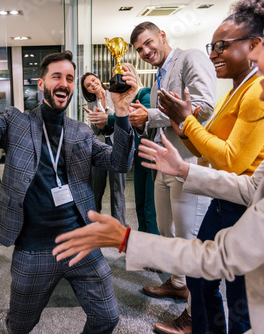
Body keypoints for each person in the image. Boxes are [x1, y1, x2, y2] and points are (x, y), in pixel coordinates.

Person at [53, 2, 264, 333]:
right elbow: (250, 189)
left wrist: (175, 125)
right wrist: (181, 165)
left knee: (232, 292)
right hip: (194, 172)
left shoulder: (244, 89)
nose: (257, 58)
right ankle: (192, 308)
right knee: (202, 273)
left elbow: (211, 132)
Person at [0, 31, 138, 334]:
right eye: (56, 77)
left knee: (107, 318)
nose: (64, 84)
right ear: (41, 83)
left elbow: (120, 162)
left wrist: (123, 111)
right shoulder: (16, 123)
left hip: (82, 244)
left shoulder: (81, 132)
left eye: (70, 78)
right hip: (34, 249)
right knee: (20, 325)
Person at [156, 1, 264, 332]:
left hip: (245, 209)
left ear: (254, 44)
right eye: (212, 47)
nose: (213, 55)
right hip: (224, 203)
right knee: (198, 273)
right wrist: (182, 125)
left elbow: (231, 159)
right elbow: (211, 149)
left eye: (221, 46)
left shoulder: (259, 91)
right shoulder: (239, 88)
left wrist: (187, 122)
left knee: (240, 297)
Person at [129, 21, 216, 312]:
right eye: (139, 49)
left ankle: (195, 314)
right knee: (167, 231)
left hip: (188, 162)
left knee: (188, 236)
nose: (145, 51)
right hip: (163, 166)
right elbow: (157, 123)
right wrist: (141, 123)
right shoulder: (157, 77)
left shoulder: (190, 57)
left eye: (148, 43)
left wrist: (149, 116)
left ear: (162, 35)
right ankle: (178, 284)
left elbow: (204, 107)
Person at [81, 72, 127, 225]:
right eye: (88, 85)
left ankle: (119, 224)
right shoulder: (92, 104)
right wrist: (96, 123)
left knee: (117, 186)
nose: (93, 84)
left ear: (99, 79)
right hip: (100, 146)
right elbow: (95, 131)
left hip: (117, 144)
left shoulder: (114, 94)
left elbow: (121, 118)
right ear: (87, 90)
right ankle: (93, 221)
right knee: (96, 184)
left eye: (93, 80)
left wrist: (106, 111)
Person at [123, 63, 159, 235]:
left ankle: (154, 251)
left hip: (151, 155)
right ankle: (144, 246)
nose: (122, 78)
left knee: (150, 207)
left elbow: (141, 118)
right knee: (140, 205)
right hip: (138, 155)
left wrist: (109, 118)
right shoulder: (123, 98)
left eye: (125, 74)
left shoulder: (143, 93)